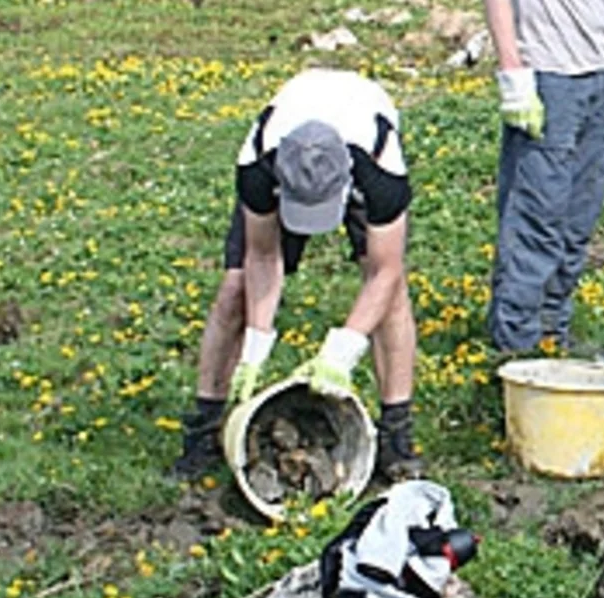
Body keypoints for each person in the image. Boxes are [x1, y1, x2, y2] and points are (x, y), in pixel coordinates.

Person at [168, 68, 425, 484]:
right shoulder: (259, 165)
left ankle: (397, 435)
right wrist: (256, 343)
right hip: (291, 126)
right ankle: (205, 428)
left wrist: (342, 351)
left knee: (390, 297)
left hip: (361, 124)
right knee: (234, 289)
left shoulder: (379, 170)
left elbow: (385, 271)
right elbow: (263, 256)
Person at [482, 0, 604, 356]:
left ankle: (552, 335)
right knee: (538, 217)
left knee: (579, 218)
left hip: (602, 77)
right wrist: (512, 72)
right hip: (549, 76)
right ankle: (516, 343)